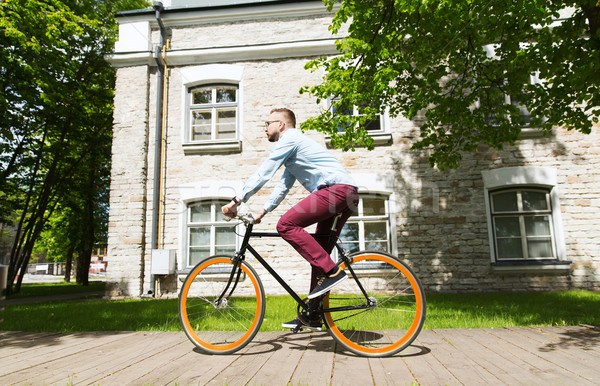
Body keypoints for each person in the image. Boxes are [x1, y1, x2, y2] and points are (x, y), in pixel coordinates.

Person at [221, 108, 359, 330]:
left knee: (286, 225)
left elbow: (265, 171)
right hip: (348, 194)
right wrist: (263, 212)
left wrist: (236, 200)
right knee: (320, 256)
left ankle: (333, 272)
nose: (265, 128)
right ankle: (313, 315)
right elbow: (283, 186)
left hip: (336, 191)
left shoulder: (291, 139)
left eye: (267, 123)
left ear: (281, 124)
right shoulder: (295, 151)